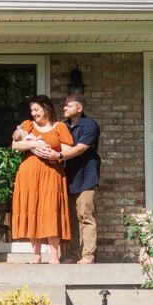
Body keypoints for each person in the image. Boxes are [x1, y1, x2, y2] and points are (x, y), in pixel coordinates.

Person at [9, 95, 74, 264]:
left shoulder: (60, 127)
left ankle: (54, 256)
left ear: (46, 108)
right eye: (32, 110)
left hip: (51, 173)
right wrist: (33, 144)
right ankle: (36, 255)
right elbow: (15, 144)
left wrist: (56, 155)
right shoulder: (27, 125)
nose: (33, 113)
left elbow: (67, 151)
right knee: (33, 210)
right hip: (28, 174)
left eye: (36, 109)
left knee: (51, 210)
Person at [61, 94, 101, 264]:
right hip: (68, 178)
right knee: (70, 219)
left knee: (85, 216)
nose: (64, 108)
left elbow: (80, 149)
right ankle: (72, 254)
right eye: (64, 106)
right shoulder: (63, 126)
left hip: (86, 177)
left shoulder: (90, 125)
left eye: (68, 106)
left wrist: (59, 155)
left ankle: (88, 255)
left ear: (79, 108)